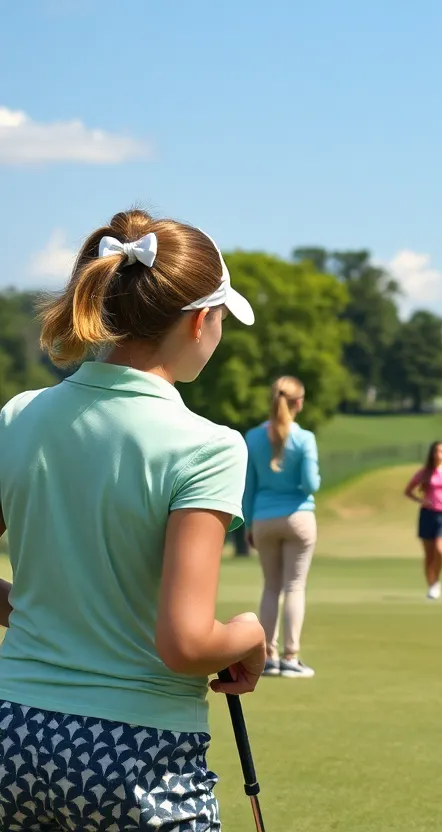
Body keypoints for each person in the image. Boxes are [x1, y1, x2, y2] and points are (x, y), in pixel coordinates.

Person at [0, 209, 263, 829]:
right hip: (137, 753)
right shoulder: (209, 446)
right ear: (201, 320)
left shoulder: (19, 415)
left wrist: (32, 608)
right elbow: (187, 644)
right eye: (222, 317)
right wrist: (251, 633)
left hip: (12, 731)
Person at [244, 375, 321, 679]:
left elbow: (248, 487)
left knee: (270, 587)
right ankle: (291, 656)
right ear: (299, 403)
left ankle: (268, 656)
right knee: (294, 587)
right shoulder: (304, 439)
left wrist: (249, 523)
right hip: (299, 517)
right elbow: (311, 483)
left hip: (263, 517)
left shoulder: (252, 437)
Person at [404, 441, 442, 600]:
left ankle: (436, 578)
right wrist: (421, 501)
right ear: (432, 453)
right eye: (437, 451)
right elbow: (408, 491)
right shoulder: (425, 472)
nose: (439, 454)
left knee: (441, 550)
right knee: (429, 555)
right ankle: (432, 584)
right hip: (427, 514)